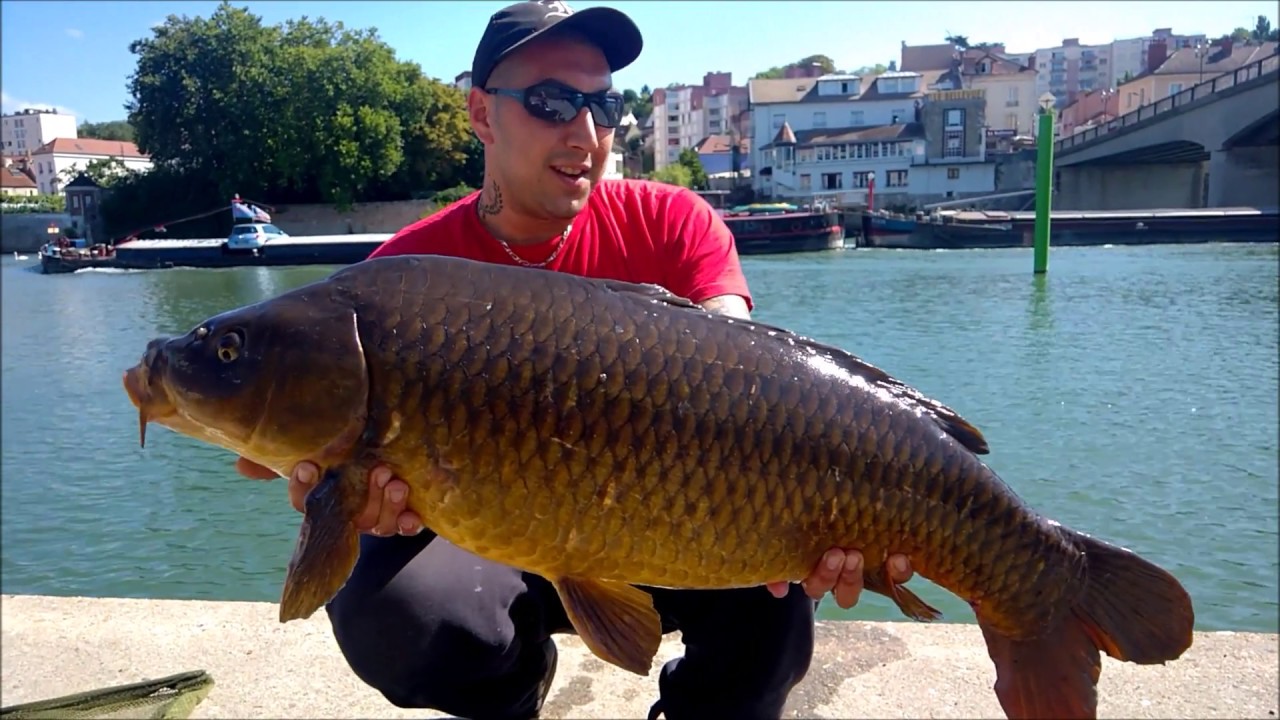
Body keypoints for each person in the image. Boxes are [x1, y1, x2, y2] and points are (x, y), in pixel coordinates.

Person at [235, 2, 914, 718]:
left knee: (772, 608)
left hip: (671, 524)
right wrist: (345, 501)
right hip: (484, 542)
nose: (585, 133)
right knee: (399, 614)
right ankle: (512, 690)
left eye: (604, 105)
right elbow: (321, 470)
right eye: (552, 101)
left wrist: (838, 517)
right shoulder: (399, 280)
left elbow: (744, 392)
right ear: (482, 114)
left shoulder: (673, 222)